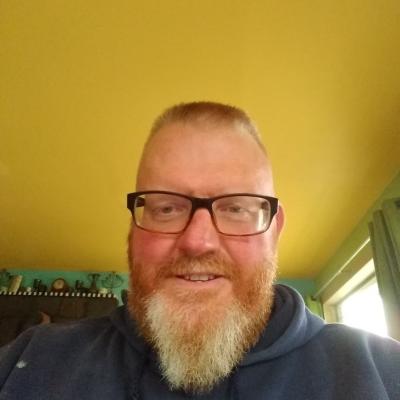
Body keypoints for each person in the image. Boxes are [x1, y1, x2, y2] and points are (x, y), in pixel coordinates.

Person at [0, 102, 399, 399]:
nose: (197, 241)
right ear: (133, 231)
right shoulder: (28, 363)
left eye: (236, 208)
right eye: (167, 208)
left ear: (274, 230)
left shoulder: (385, 373)